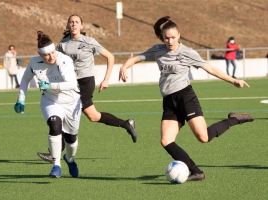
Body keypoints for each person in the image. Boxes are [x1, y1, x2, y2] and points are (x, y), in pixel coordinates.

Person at [119, 16, 254, 181]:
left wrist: (233, 80)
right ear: (162, 37)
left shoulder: (187, 52)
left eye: (173, 37)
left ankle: (234, 119)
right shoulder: (158, 50)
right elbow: (136, 58)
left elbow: (209, 68)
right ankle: (197, 172)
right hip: (169, 101)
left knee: (203, 137)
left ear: (179, 35)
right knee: (166, 140)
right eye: (166, 38)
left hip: (185, 97)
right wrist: (124, 67)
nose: (170, 41)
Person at [37, 14, 137, 163]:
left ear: (81, 26)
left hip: (85, 82)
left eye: (77, 22)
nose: (74, 24)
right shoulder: (62, 45)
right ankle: (126, 124)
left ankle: (54, 154)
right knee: (93, 116)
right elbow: (54, 64)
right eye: (71, 22)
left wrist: (106, 79)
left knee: (67, 112)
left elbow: (110, 57)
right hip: (69, 83)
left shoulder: (89, 42)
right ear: (68, 25)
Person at [14, 31, 82, 178]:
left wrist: (50, 85)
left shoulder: (64, 60)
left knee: (71, 139)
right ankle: (56, 165)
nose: (51, 57)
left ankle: (69, 159)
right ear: (39, 54)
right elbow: (25, 80)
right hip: (51, 101)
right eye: (47, 55)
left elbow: (71, 84)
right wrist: (21, 99)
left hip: (71, 102)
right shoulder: (34, 63)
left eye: (53, 52)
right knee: (54, 125)